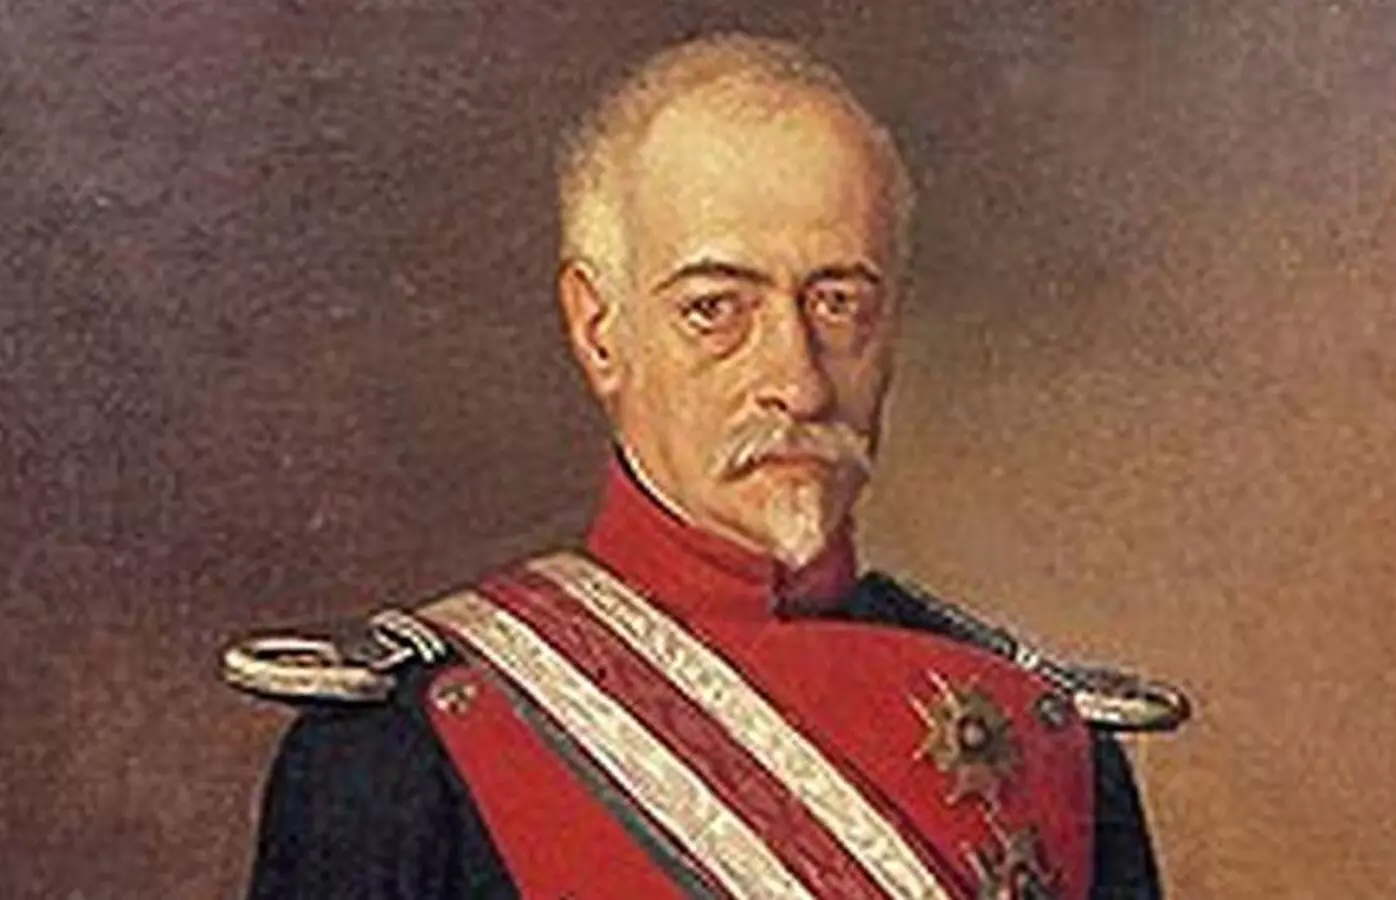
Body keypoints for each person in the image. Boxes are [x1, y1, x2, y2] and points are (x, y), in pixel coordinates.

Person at [223, 33, 1188, 900]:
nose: (797, 383)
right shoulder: (399, 756)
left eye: (838, 303)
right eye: (715, 309)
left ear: (890, 327)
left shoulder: (1048, 742)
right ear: (600, 331)